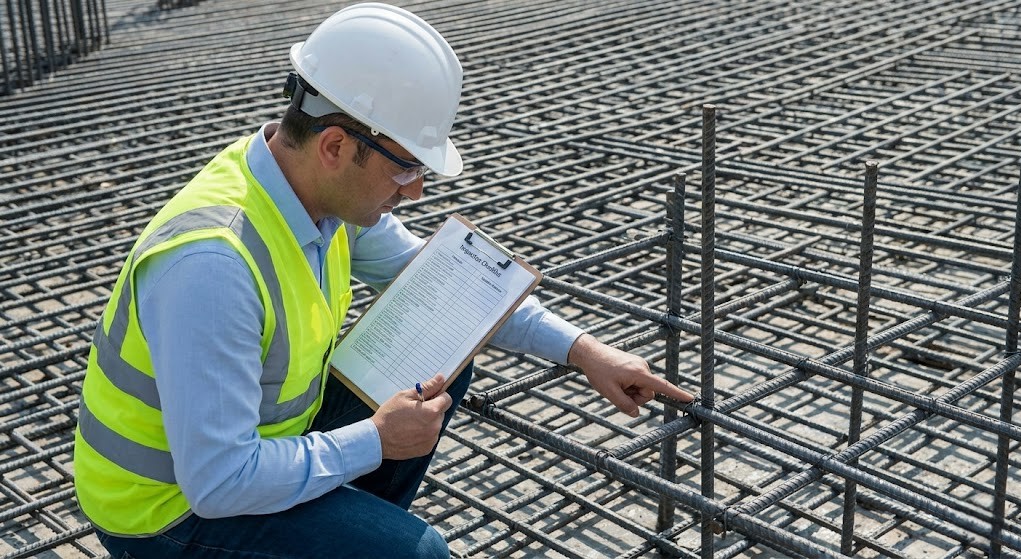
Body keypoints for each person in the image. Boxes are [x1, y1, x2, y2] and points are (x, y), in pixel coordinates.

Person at [73, 3, 694, 558]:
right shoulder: (214, 266)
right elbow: (218, 481)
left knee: (440, 349)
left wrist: (585, 352)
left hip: (256, 449)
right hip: (164, 512)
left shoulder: (313, 194)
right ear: (337, 146)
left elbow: (451, 292)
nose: (417, 190)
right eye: (404, 169)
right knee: (417, 554)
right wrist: (373, 441)